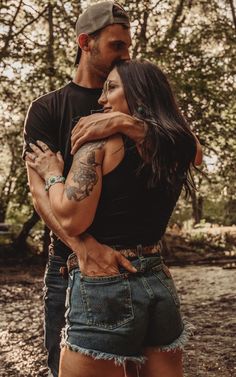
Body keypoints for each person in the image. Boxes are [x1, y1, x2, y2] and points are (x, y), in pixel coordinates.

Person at [26, 59, 202, 377]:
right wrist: (128, 123)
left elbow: (71, 220)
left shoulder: (99, 143)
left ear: (140, 94)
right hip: (158, 283)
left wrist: (53, 174)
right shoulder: (175, 146)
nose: (102, 99)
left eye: (112, 88)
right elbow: (193, 147)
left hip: (104, 285)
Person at [23, 3, 146, 376]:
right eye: (116, 46)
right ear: (85, 43)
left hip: (136, 264)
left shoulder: (138, 100)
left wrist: (126, 121)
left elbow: (186, 148)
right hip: (69, 267)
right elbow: (39, 190)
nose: (126, 55)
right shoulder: (47, 109)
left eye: (128, 46)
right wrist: (84, 248)